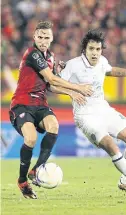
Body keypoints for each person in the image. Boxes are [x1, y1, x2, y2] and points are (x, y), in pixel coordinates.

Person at [57, 29, 126, 197]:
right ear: (85, 49)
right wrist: (72, 92)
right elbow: (54, 84)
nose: (95, 53)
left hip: (103, 109)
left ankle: (125, 182)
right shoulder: (73, 65)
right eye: (91, 49)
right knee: (111, 144)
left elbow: (111, 71)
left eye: (98, 49)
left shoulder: (102, 61)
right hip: (85, 116)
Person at [9, 21, 92, 199]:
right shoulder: (32, 54)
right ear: (34, 37)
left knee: (54, 125)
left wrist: (70, 92)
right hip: (22, 104)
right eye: (40, 37)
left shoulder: (50, 57)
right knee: (30, 138)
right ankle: (23, 181)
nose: (43, 40)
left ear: (52, 38)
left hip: (40, 104)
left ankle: (37, 169)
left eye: (47, 37)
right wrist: (77, 88)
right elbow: (51, 78)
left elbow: (50, 86)